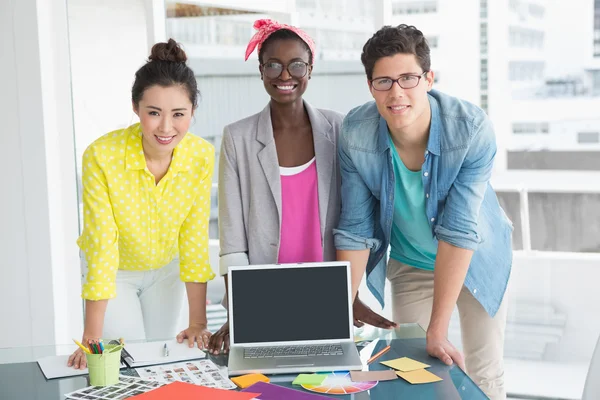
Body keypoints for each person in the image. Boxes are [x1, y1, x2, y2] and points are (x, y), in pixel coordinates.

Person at [333, 24, 513, 399]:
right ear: (370, 86)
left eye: (408, 78)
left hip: (474, 258)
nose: (396, 92)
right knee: (411, 371)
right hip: (411, 262)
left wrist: (438, 328)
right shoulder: (355, 132)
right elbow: (354, 229)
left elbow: (459, 231)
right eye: (383, 81)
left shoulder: (470, 129)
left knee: (483, 372)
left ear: (429, 79)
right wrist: (338, 312)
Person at [68, 39, 215, 369]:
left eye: (179, 114)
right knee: (127, 361)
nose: (166, 127)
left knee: (160, 358)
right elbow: (102, 244)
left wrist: (198, 322)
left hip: (167, 271)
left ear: (192, 112)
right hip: (116, 273)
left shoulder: (201, 156)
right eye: (154, 113)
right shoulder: (101, 156)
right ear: (136, 108)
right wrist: (91, 335)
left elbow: (193, 239)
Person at [207, 19, 344, 354]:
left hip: (327, 293)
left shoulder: (338, 128)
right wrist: (241, 312)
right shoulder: (237, 137)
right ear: (261, 70)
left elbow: (355, 217)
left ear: (310, 69)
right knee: (269, 386)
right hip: (263, 296)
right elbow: (233, 238)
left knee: (325, 383)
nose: (285, 75)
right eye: (274, 65)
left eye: (296, 64)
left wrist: (351, 294)